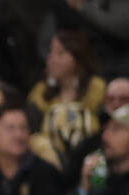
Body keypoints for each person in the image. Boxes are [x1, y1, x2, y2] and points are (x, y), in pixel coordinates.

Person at [28, 30, 106, 166]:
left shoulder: (97, 88)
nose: (50, 58)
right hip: (50, 163)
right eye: (50, 52)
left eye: (60, 53)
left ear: (76, 58)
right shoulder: (41, 91)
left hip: (92, 157)